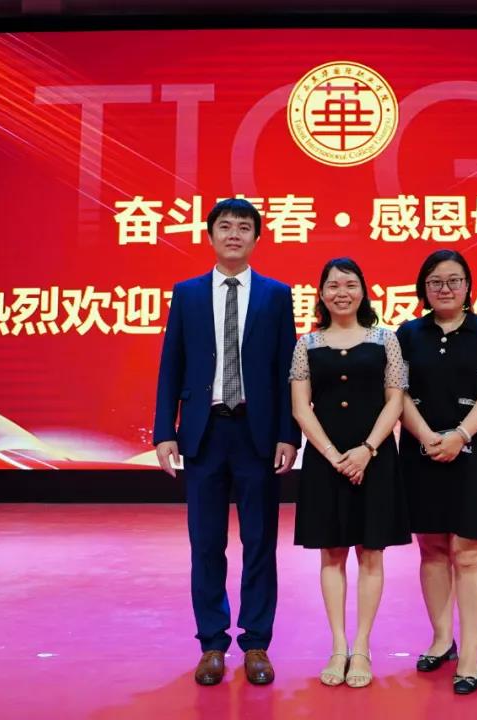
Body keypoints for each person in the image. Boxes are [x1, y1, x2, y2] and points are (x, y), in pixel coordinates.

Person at [153, 198, 301, 686]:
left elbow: (285, 369)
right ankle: (212, 644)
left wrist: (288, 434)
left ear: (257, 237)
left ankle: (256, 642)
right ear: (211, 235)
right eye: (225, 226)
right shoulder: (188, 294)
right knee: (206, 543)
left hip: (257, 434)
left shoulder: (276, 295)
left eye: (243, 227)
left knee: (259, 542)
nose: (234, 234)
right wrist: (165, 430)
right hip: (204, 432)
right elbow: (172, 364)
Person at [289, 258, 410, 688]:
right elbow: (301, 407)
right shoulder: (306, 344)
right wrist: (332, 455)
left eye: (350, 284)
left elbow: (395, 400)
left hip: (374, 459)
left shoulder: (386, 339)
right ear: (321, 294)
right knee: (332, 553)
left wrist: (367, 450)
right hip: (325, 462)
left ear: (363, 291)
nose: (342, 292)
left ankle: (361, 647)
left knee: (371, 553)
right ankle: (338, 646)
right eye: (333, 285)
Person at [396, 249, 477, 695]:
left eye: (454, 280)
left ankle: (470, 655)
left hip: (473, 451)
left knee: (471, 552)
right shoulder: (408, 334)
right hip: (421, 450)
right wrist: (427, 436)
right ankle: (442, 640)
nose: (445, 289)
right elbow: (398, 395)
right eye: (435, 282)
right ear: (423, 289)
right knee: (432, 548)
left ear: (468, 286)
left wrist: (459, 436)